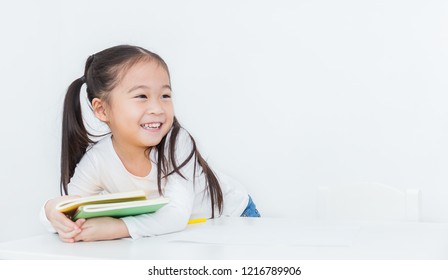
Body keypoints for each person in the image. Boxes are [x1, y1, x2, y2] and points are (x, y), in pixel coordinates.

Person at [40, 45, 260, 242]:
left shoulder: (176, 142)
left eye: (165, 95)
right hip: (186, 233)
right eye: (142, 96)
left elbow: (175, 215)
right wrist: (52, 211)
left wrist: (118, 227)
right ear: (102, 109)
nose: (157, 108)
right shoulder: (98, 160)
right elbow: (71, 206)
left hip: (233, 216)